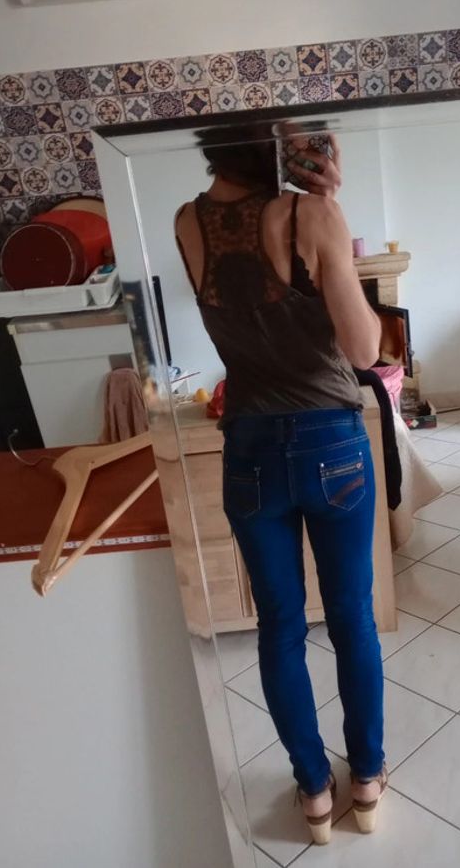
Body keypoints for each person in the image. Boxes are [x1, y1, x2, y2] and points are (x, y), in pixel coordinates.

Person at [174, 124, 387, 844]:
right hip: (332, 442)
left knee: (280, 626)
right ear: (275, 147)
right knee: (352, 617)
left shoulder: (186, 221)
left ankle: (314, 791)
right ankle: (366, 779)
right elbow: (365, 350)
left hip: (251, 447)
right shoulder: (311, 214)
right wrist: (334, 215)